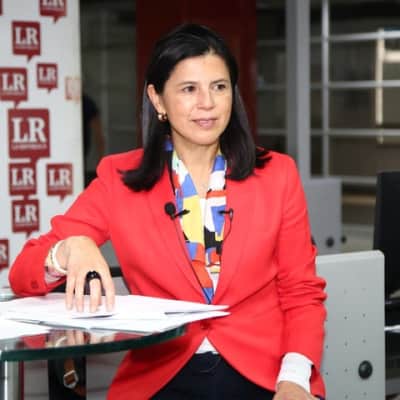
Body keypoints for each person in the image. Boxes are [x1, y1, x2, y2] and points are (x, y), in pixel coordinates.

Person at [9, 23, 327, 400]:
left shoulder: (277, 174)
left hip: (266, 374)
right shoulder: (119, 179)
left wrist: (294, 378)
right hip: (162, 376)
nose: (207, 103)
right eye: (189, 89)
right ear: (157, 99)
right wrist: (67, 250)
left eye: (219, 87)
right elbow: (23, 272)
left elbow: (301, 291)